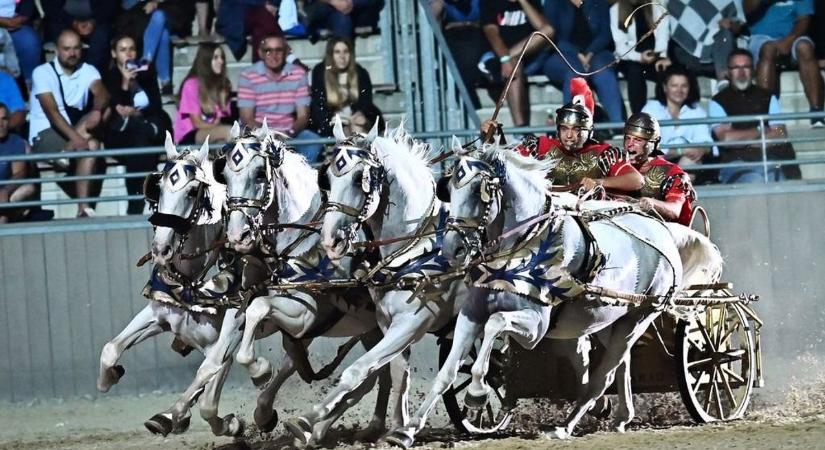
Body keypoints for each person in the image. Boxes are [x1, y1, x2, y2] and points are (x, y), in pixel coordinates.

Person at [482, 77, 644, 193]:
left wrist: (599, 182)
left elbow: (637, 180)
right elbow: (506, 163)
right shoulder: (539, 146)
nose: (569, 135)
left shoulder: (605, 153)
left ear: (589, 131)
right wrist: (493, 138)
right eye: (565, 129)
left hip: (589, 217)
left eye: (576, 130)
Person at [29, 29, 109, 217]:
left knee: (96, 138)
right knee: (91, 144)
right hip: (46, 132)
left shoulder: (87, 70)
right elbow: (52, 113)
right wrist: (77, 140)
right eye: (66, 49)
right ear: (56, 49)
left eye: (75, 49)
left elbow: (102, 93)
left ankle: (83, 209)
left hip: (73, 131)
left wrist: (97, 111)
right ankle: (69, 154)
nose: (71, 53)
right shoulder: (42, 72)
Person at [103, 35, 172, 215]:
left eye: (131, 49)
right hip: (121, 131)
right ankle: (150, 194)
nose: (128, 53)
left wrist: (138, 113)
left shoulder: (147, 74)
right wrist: (126, 83)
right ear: (114, 53)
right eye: (123, 49)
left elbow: (156, 105)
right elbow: (115, 106)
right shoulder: (109, 77)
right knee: (139, 130)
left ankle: (137, 200)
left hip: (144, 127)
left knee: (151, 125)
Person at [709, 48, 800, 183]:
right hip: (736, 163)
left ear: (753, 70)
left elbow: (780, 133)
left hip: (769, 159)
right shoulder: (717, 102)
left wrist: (742, 141)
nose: (741, 73)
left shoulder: (769, 97)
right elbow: (727, 138)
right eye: (736, 68)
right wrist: (760, 131)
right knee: (754, 181)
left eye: (746, 67)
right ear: (728, 72)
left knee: (776, 180)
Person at [238, 34, 323, 161]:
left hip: (289, 133)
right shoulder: (248, 76)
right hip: (257, 134)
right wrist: (269, 135)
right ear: (261, 53)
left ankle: (301, 179)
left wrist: (288, 134)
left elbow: (303, 116)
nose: (274, 55)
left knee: (313, 141)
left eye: (278, 50)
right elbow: (247, 118)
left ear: (286, 52)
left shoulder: (297, 74)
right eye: (268, 51)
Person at [744, 0, 824, 127]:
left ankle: (817, 112)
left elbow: (804, 19)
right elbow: (747, 10)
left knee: (805, 47)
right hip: (761, 36)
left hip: (792, 35)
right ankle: (765, 115)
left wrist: (789, 40)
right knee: (768, 49)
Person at [543, 0, 624, 125]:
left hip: (597, 52)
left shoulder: (598, 3)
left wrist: (590, 52)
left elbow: (605, 33)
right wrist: (577, 53)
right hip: (563, 53)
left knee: (603, 72)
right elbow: (552, 36)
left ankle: (617, 125)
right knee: (575, 75)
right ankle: (572, 126)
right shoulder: (553, 3)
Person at [479, 0, 555, 129]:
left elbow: (544, 28)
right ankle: (519, 131)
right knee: (514, 67)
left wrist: (523, 1)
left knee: (548, 30)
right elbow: (491, 33)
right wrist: (504, 58)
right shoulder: (489, 3)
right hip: (501, 55)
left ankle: (509, 58)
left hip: (527, 55)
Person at [641, 65, 714, 183]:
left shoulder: (696, 111)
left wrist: (702, 148)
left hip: (685, 164)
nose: (679, 90)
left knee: (689, 163)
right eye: (674, 85)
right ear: (665, 88)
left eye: (684, 86)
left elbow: (705, 141)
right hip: (656, 165)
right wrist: (680, 150)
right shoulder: (651, 110)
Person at [623, 112, 695, 225]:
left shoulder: (672, 172)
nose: (629, 144)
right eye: (628, 138)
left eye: (637, 140)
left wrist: (652, 203)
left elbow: (675, 210)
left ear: (654, 143)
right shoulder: (616, 166)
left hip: (661, 233)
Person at [309, 36, 379, 137]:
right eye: (337, 52)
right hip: (331, 119)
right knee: (341, 131)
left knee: (358, 129)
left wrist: (360, 114)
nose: (342, 56)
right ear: (331, 55)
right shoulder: (320, 72)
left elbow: (366, 101)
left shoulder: (360, 72)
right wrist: (331, 120)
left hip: (355, 118)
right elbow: (318, 104)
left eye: (345, 51)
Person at [610, 0, 671, 115]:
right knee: (635, 71)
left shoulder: (656, 6)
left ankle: (663, 115)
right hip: (629, 58)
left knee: (664, 71)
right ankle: (639, 118)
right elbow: (620, 46)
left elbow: (663, 36)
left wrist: (659, 55)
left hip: (654, 56)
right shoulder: (616, 10)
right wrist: (639, 57)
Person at [429, 0, 493, 109]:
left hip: (480, 37)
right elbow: (436, 34)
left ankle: (472, 108)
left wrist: (461, 24)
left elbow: (488, 24)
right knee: (458, 63)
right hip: (455, 40)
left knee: (470, 44)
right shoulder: (441, 4)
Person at [667, 0, 746, 83]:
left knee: (725, 35)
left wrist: (730, 25)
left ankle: (724, 84)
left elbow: (740, 26)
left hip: (715, 50)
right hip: (683, 49)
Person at [174, 42, 233, 144]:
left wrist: (223, 102)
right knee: (228, 131)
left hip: (212, 132)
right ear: (206, 61)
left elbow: (221, 120)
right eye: (216, 58)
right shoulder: (191, 84)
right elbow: (197, 123)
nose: (221, 61)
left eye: (222, 57)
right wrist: (218, 127)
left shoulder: (223, 85)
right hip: (190, 135)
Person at [117, 0, 174, 96]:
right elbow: (127, 5)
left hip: (165, 13)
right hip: (138, 16)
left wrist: (156, 3)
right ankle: (165, 81)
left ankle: (146, 60)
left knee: (160, 17)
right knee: (163, 33)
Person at [0, 102, 38, 223]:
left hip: (7, 192)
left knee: (28, 188)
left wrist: (5, 190)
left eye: (4, 119)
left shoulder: (15, 141)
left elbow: (19, 173)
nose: (1, 124)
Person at [0, 0, 41, 86]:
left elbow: (27, 5)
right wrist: (4, 22)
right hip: (6, 22)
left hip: (14, 23)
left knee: (29, 42)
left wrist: (20, 19)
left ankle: (31, 86)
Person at [303, 0, 385, 40]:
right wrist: (334, 1)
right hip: (324, 7)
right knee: (342, 21)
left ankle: (344, 69)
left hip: (353, 7)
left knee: (343, 19)